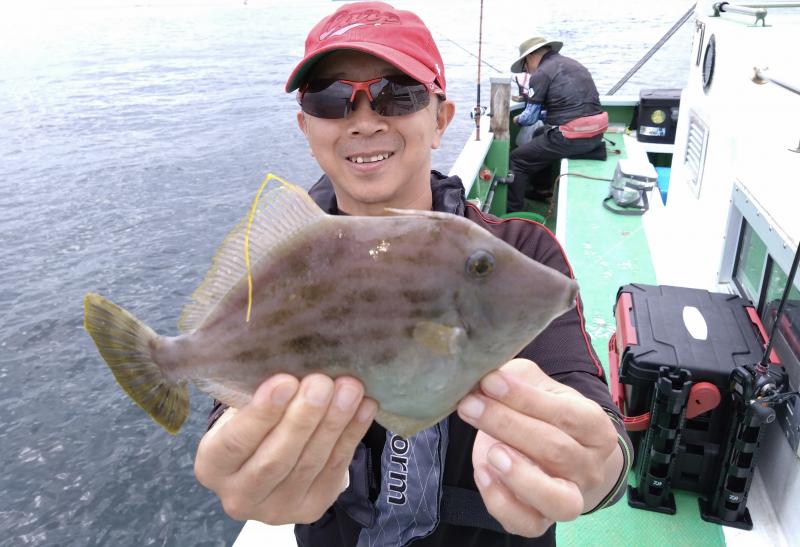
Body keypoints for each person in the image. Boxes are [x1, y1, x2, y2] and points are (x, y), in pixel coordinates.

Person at [193, 3, 632, 546]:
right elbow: (241, 376)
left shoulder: (519, 249)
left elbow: (581, 396)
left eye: (397, 93)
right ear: (306, 127)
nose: (364, 119)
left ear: (441, 120)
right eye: (330, 98)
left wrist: (598, 467)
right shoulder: (284, 260)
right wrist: (241, 456)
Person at [507, 36, 608, 212]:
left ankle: (514, 209)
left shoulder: (541, 73)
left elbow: (530, 118)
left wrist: (517, 119)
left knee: (517, 160)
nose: (527, 72)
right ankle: (542, 189)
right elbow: (567, 109)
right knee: (540, 135)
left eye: (524, 67)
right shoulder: (574, 65)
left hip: (571, 138)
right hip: (595, 134)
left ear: (530, 57)